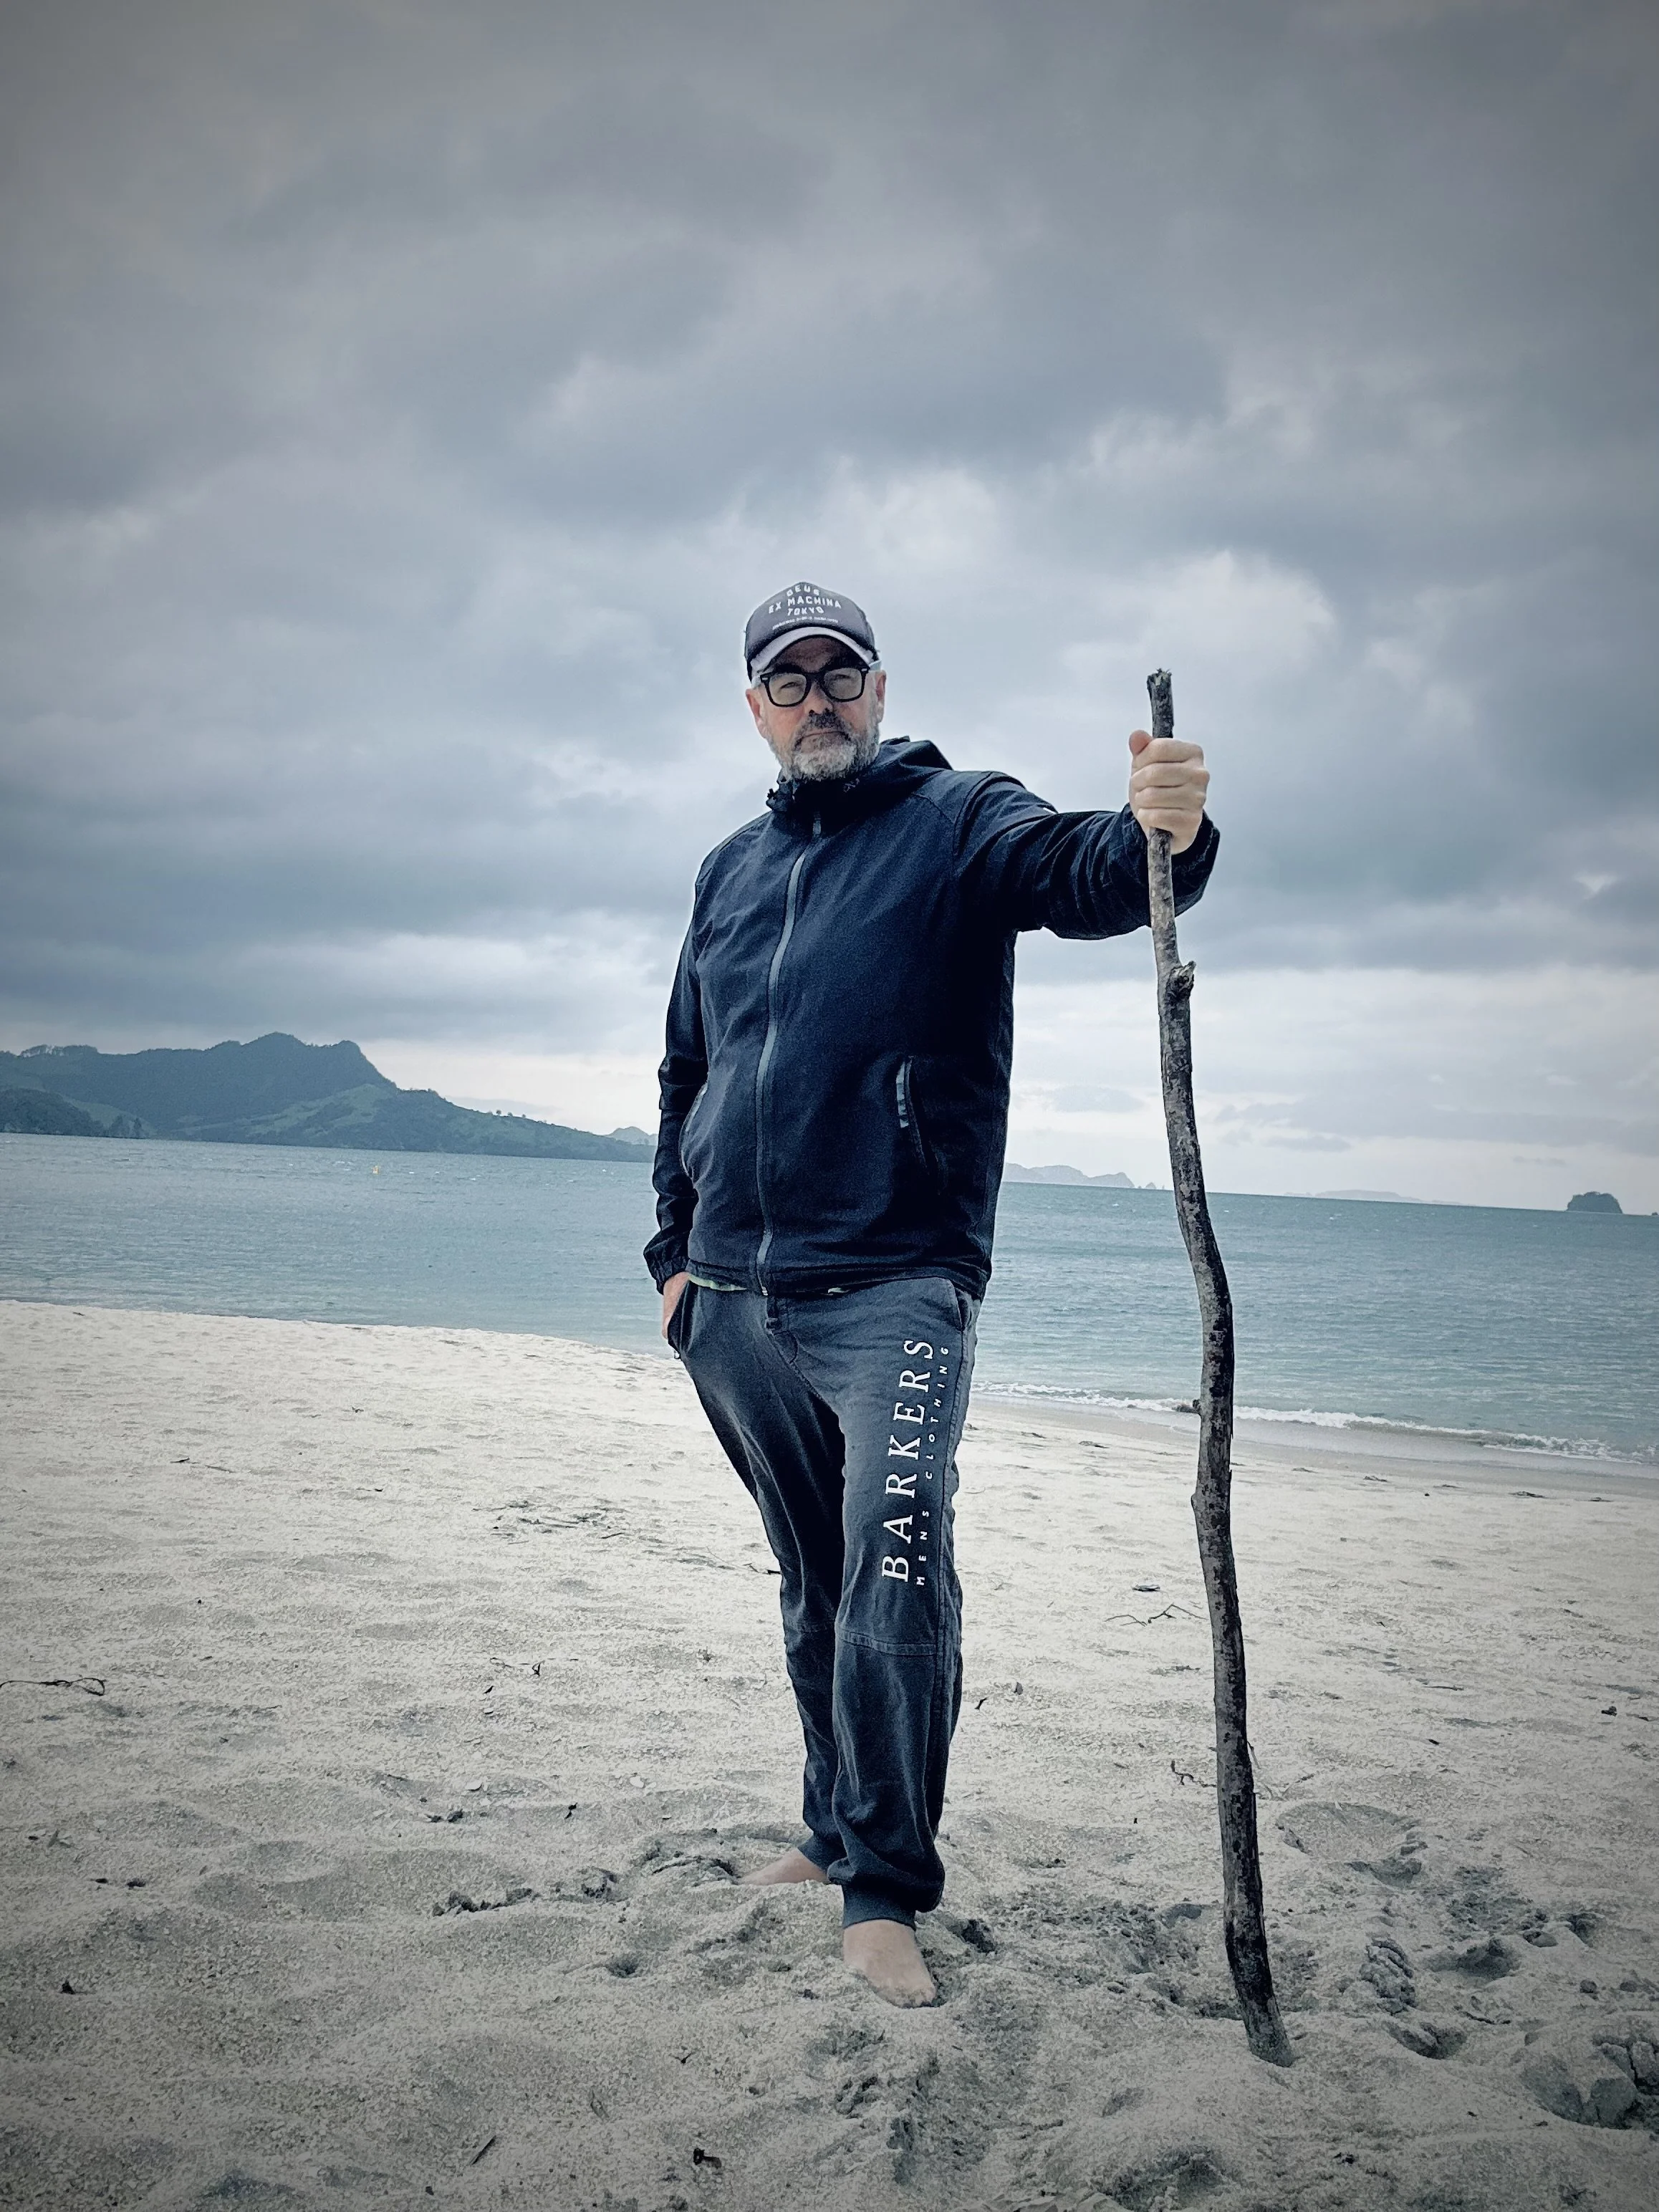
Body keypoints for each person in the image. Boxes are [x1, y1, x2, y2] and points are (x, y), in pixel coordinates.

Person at [645, 582, 1216, 2006]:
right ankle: (833, 1827)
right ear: (756, 706)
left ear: (881, 688)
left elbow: (1091, 873)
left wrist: (1172, 829)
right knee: (810, 1583)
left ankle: (885, 1885)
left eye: (840, 673)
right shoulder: (728, 870)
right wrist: (673, 1259)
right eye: (790, 680)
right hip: (733, 1296)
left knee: (895, 1575)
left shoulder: (961, 820)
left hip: (895, 1283)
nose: (817, 697)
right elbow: (685, 1073)